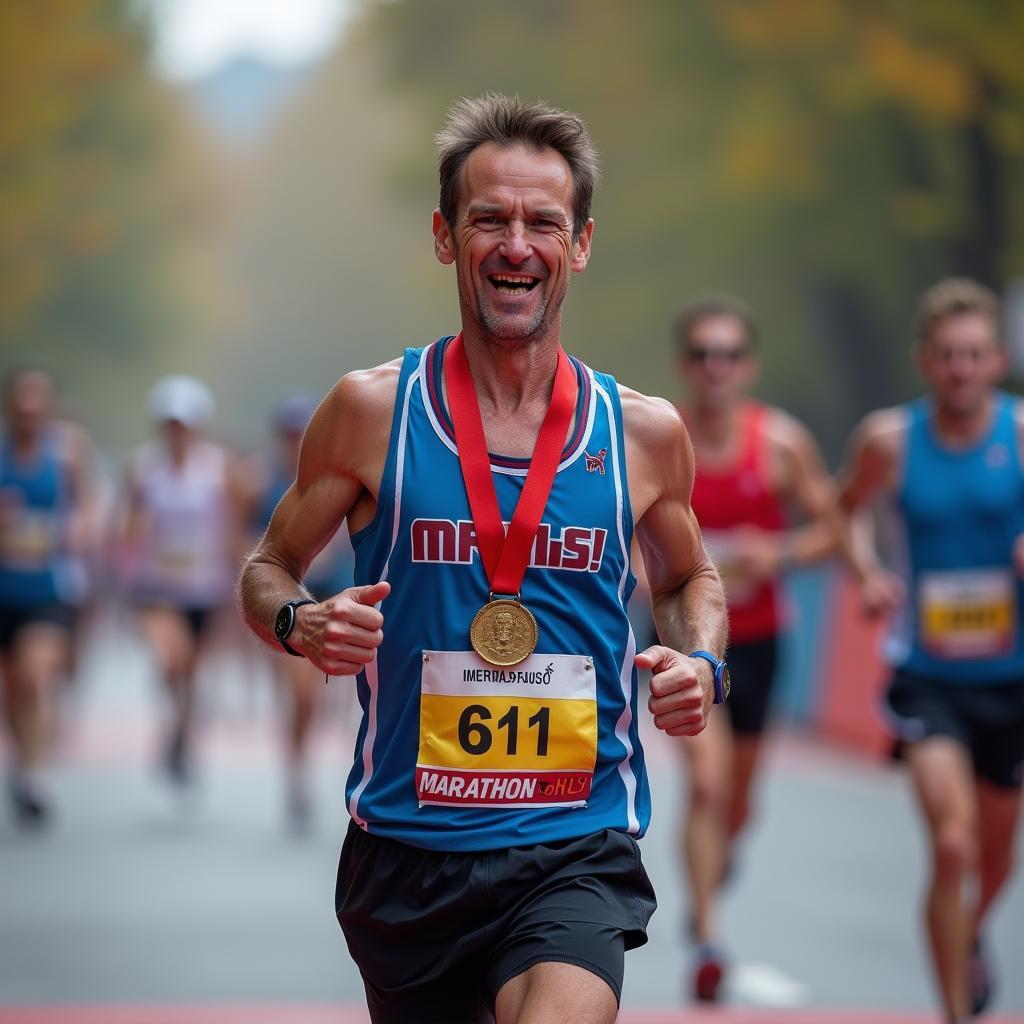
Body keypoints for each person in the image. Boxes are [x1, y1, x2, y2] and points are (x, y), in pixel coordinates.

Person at [240, 94, 728, 1024]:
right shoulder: (371, 413)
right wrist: (302, 623)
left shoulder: (643, 433)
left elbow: (685, 577)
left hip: (574, 845)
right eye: (489, 219)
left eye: (543, 221)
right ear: (444, 237)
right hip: (408, 853)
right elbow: (265, 569)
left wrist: (699, 659)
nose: (516, 244)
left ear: (579, 244)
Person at [837, 278, 1024, 1024]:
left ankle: (970, 933)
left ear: (998, 360)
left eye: (975, 355)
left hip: (1011, 677)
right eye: (948, 355)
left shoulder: (1020, 434)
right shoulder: (890, 440)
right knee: (952, 843)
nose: (961, 369)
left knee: (995, 857)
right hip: (926, 674)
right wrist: (868, 572)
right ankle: (953, 1011)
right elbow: (843, 509)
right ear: (925, 362)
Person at [673, 298, 840, 1001]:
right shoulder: (661, 436)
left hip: (762, 638)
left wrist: (782, 553)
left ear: (749, 366)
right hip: (684, 638)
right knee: (706, 784)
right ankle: (709, 938)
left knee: (738, 799)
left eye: (730, 355)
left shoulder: (779, 444)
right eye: (705, 355)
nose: (717, 368)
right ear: (686, 365)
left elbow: (834, 529)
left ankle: (717, 858)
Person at [118, 375, 246, 786]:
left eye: (184, 424)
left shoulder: (220, 468)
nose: (177, 432)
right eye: (170, 424)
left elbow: (234, 527)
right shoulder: (142, 469)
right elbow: (128, 525)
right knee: (170, 657)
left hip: (205, 587)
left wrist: (239, 585)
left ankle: (182, 731)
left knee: (190, 668)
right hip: (157, 587)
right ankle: (180, 725)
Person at [250, 394, 355, 828]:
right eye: (290, 434)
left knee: (339, 701)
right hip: (294, 597)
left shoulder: (345, 471)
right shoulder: (263, 483)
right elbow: (255, 549)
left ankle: (338, 768)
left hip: (338, 591)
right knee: (302, 696)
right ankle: (296, 774)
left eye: (303, 432)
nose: (297, 441)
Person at [0, 367, 95, 825]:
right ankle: (21, 763)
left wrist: (79, 528)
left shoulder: (66, 453)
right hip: (4, 591)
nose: (29, 411)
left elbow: (86, 507)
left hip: (47, 588)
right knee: (12, 687)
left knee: (35, 675)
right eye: (21, 404)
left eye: (37, 403)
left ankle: (34, 774)